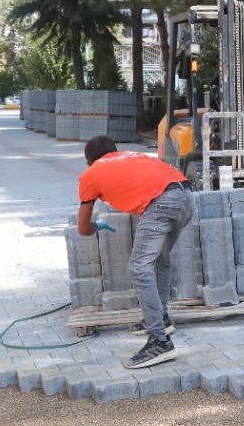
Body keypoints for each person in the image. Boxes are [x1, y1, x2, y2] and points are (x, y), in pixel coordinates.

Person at [76, 136, 195, 367]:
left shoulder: (91, 174)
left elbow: (82, 228)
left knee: (139, 268)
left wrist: (96, 225)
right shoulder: (135, 157)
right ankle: (162, 319)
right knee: (161, 260)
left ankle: (160, 342)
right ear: (115, 151)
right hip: (186, 195)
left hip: (161, 202)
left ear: (90, 162)